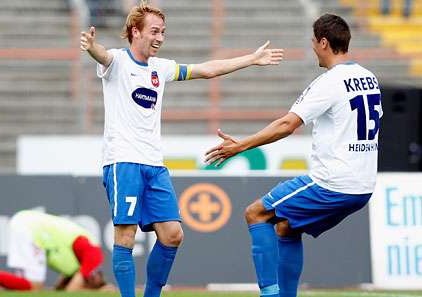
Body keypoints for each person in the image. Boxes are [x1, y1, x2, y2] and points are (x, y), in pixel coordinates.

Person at [79, 2, 284, 297]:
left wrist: (251, 59)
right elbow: (102, 55)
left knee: (173, 235)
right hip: (123, 162)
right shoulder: (117, 62)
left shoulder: (160, 68)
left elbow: (206, 70)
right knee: (126, 235)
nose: (160, 37)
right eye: (154, 31)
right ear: (135, 32)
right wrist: (91, 46)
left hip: (154, 165)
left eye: (163, 32)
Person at [205, 14, 382, 297]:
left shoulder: (330, 81)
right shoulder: (368, 77)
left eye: (314, 41)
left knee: (256, 214)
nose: (312, 46)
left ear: (324, 42)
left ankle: (270, 295)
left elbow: (287, 124)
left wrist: (240, 147)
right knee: (286, 228)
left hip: (332, 183)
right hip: (363, 187)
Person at [0, 210, 106, 291]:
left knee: (26, 287)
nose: (95, 277)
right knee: (34, 286)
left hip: (28, 226)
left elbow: (61, 290)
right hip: (31, 229)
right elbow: (72, 290)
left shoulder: (74, 269)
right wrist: (100, 292)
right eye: (98, 277)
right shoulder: (94, 255)